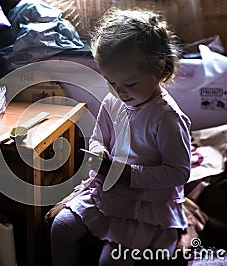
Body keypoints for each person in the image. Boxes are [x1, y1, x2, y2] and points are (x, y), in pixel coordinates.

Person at [50, 7, 191, 266]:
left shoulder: (167, 118)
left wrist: (129, 174)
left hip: (146, 202)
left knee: (111, 261)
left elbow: (180, 172)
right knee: (61, 228)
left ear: (158, 69)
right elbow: (98, 138)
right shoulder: (113, 99)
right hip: (108, 190)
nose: (120, 92)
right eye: (110, 82)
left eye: (129, 84)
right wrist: (99, 152)